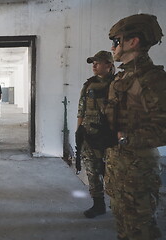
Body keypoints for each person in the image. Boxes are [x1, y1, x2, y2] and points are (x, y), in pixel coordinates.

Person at [105, 14, 166, 240]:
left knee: (141, 229)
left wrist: (123, 139)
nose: (112, 47)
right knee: (124, 223)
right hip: (120, 165)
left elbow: (163, 128)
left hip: (138, 168)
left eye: (116, 41)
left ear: (133, 42)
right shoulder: (123, 77)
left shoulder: (152, 80)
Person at [76, 50, 115, 218]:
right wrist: (79, 131)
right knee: (92, 171)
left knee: (113, 172)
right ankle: (98, 205)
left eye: (97, 62)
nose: (94, 65)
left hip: (109, 137)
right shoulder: (88, 85)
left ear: (109, 65)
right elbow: (81, 110)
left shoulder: (118, 84)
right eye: (93, 63)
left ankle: (119, 204)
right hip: (89, 136)